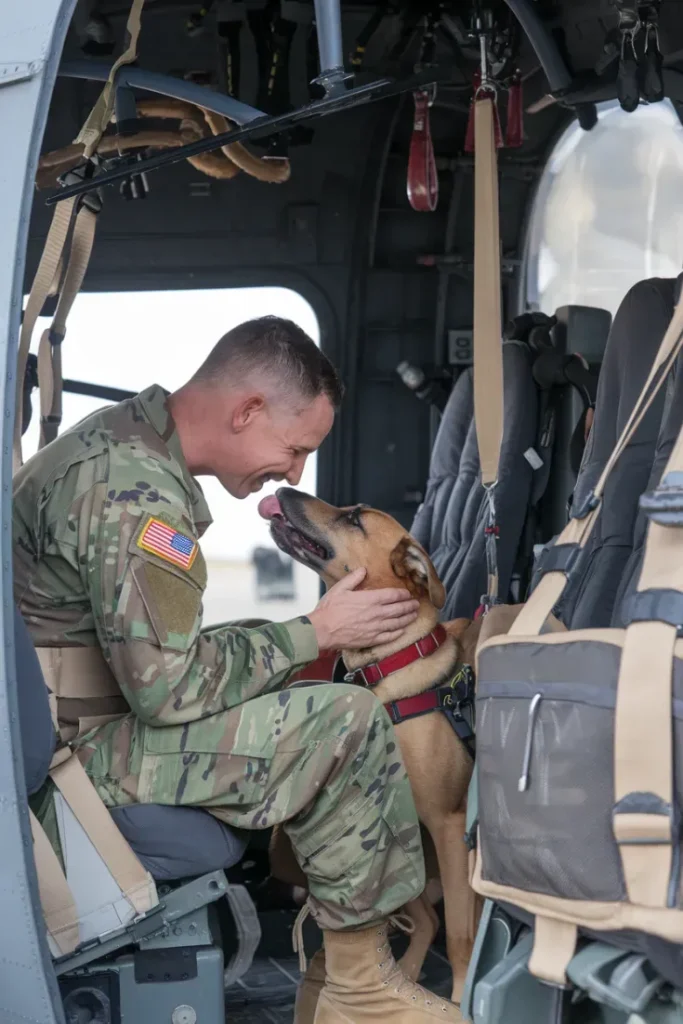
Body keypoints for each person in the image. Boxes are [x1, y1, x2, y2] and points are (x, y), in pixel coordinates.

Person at [13, 316, 462, 1022]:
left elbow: (153, 656)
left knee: (290, 678)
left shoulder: (120, 443)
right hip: (76, 757)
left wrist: (291, 646)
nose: (294, 474)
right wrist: (309, 633)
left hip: (76, 727)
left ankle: (328, 982)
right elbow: (167, 689)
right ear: (247, 409)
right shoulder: (138, 498)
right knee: (340, 719)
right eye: (294, 448)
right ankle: (358, 988)